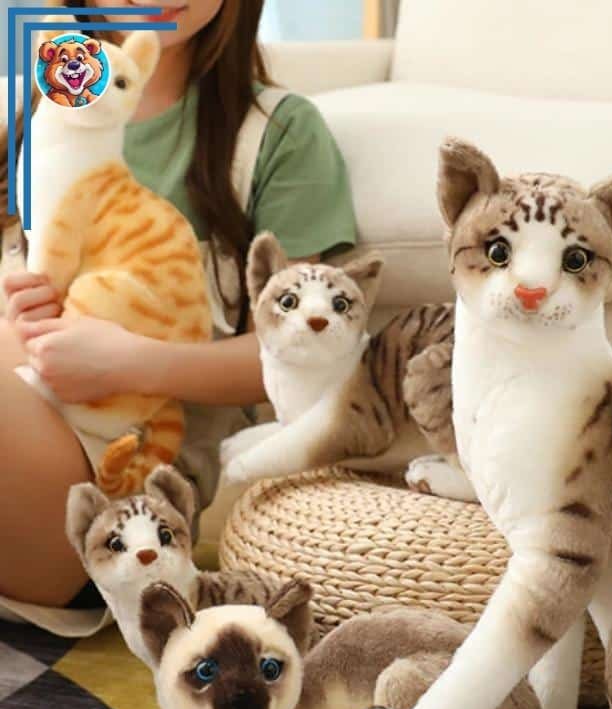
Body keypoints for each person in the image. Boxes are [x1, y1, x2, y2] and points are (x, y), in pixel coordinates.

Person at [0, 0, 357, 629]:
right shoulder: (34, 113)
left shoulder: (276, 132)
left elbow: (305, 356)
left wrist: (133, 363)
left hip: (123, 500)